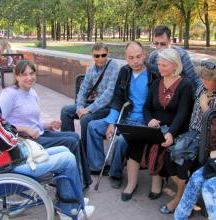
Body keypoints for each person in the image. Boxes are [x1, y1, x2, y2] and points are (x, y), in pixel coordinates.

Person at [0, 98, 94, 220]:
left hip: (12, 159)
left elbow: (7, 130)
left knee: (64, 150)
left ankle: (71, 200)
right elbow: (9, 140)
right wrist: (13, 130)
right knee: (67, 159)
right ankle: (68, 209)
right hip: (9, 166)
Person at [0, 60, 92, 188]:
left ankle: (81, 181)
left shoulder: (32, 93)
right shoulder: (10, 95)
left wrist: (47, 124)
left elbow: (34, 121)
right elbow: (0, 124)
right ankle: (74, 186)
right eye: (24, 74)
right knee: (71, 142)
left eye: (32, 73)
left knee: (74, 136)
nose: (29, 77)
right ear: (17, 76)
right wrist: (25, 129)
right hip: (24, 141)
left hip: (38, 135)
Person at [122, 48, 194, 202]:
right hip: (155, 126)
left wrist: (171, 133)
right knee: (134, 142)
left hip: (175, 129)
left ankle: (157, 183)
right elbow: (147, 108)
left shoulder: (185, 85)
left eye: (164, 65)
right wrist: (149, 120)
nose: (160, 68)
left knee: (160, 144)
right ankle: (131, 184)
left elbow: (182, 114)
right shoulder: (156, 83)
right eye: (159, 64)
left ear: (175, 66)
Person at [86, 41, 158, 188]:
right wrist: (112, 122)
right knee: (93, 126)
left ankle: (115, 173)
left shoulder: (154, 73)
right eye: (131, 58)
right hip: (123, 116)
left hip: (142, 121)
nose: (135, 61)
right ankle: (98, 166)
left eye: (138, 57)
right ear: (126, 58)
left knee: (120, 141)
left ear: (144, 55)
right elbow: (118, 98)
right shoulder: (124, 71)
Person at [173, 59, 216, 219]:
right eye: (203, 78)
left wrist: (206, 107)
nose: (204, 81)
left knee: (185, 159)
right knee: (173, 156)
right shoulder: (200, 89)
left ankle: (196, 202)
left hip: (208, 141)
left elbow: (213, 125)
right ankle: (185, 199)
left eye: (208, 79)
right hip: (192, 132)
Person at [60, 42, 119, 151]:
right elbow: (83, 90)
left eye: (103, 55)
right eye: (97, 56)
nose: (100, 58)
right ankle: (69, 146)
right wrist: (79, 108)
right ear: (92, 56)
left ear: (108, 54)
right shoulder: (91, 69)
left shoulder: (113, 66)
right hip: (95, 105)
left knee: (85, 118)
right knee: (66, 111)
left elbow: (109, 94)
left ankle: (84, 152)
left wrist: (88, 109)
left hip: (109, 107)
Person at [148, 25, 202, 89]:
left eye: (162, 44)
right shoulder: (153, 57)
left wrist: (202, 95)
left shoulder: (181, 55)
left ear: (169, 41)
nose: (159, 47)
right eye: (156, 43)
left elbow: (194, 79)